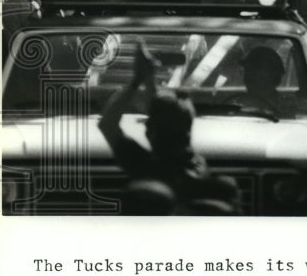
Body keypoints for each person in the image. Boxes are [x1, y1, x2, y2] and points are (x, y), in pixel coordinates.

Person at [98, 45, 240, 213]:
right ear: (188, 128)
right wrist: (149, 80)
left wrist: (138, 79)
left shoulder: (145, 166)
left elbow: (107, 124)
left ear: (150, 132)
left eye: (149, 123)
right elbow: (164, 113)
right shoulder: (203, 173)